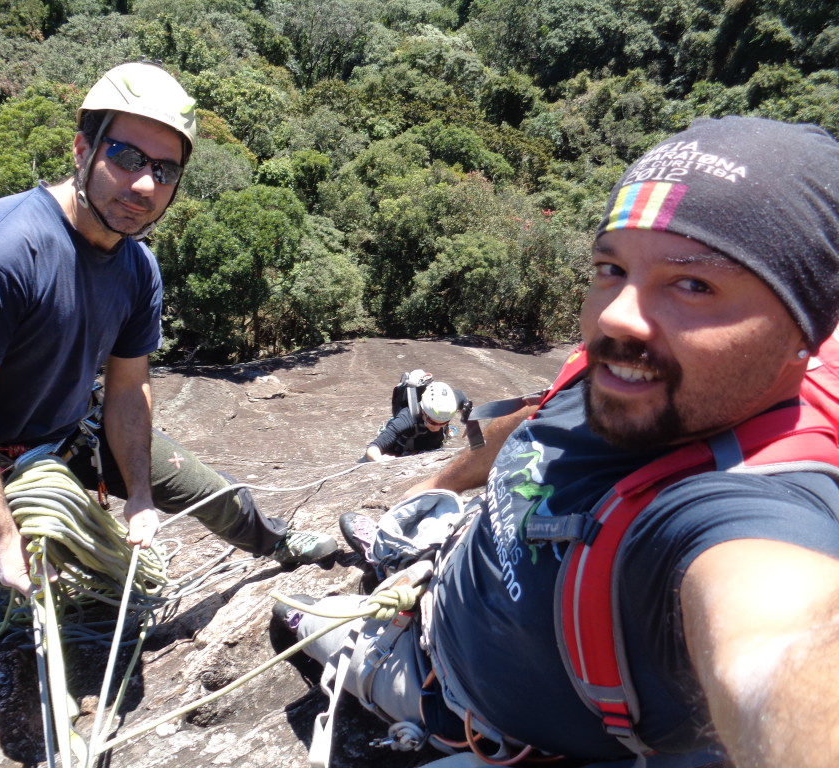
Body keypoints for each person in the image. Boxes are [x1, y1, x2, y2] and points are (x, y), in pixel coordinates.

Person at [276, 116, 839, 768]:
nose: (616, 315)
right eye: (611, 266)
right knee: (404, 534)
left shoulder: (739, 512)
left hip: (466, 708)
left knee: (288, 621)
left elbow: (783, 643)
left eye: (694, 284)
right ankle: (413, 538)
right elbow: (540, 421)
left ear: (806, 330)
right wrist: (432, 486)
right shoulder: (630, 374)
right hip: (449, 572)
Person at [0, 61, 336, 639]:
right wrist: (6, 539)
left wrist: (141, 498)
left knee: (213, 492)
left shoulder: (136, 266)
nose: (145, 185)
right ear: (83, 149)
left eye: (165, 169)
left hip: (67, 425)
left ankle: (275, 540)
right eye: (127, 157)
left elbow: (128, 388)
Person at [364, 381, 467, 462]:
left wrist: (468, 420)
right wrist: (379, 459)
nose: (436, 427)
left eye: (443, 423)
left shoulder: (449, 403)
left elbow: (465, 402)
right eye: (433, 422)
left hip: (430, 443)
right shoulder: (406, 418)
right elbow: (374, 447)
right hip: (400, 447)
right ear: (423, 411)